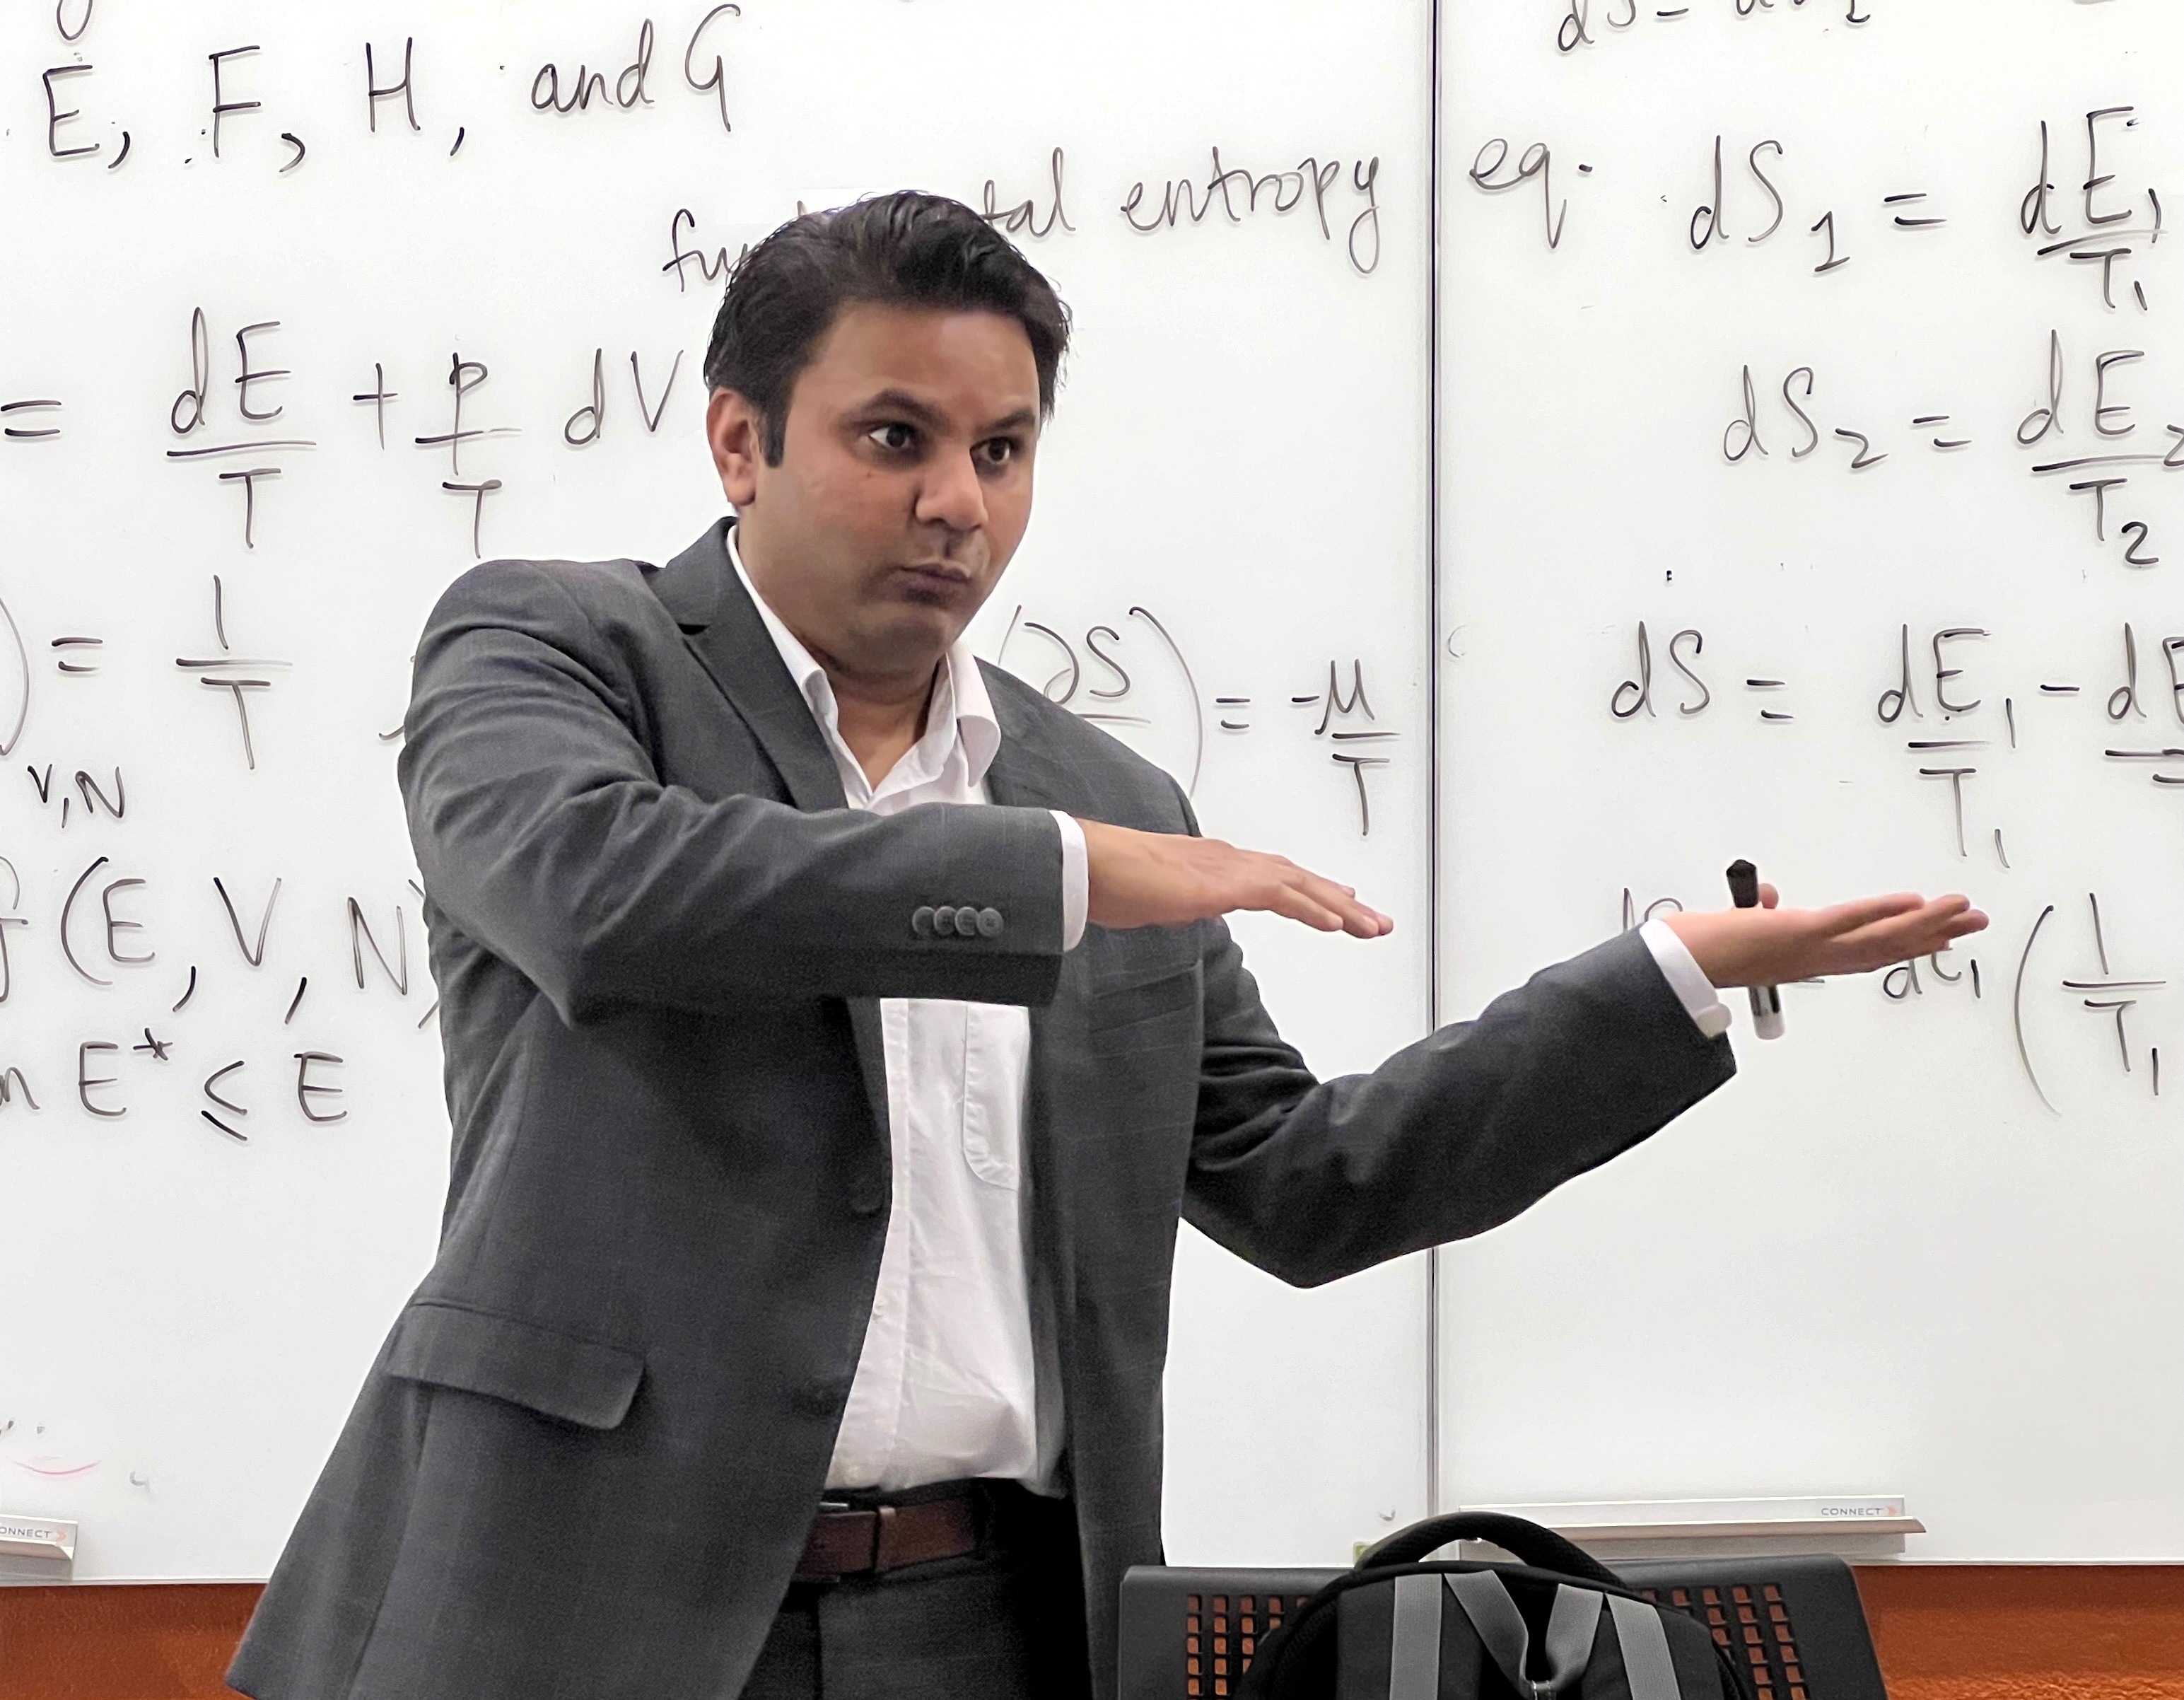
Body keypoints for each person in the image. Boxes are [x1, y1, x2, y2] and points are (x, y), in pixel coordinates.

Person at [226, 192, 1984, 1700]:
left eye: (1002, 451)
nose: (957, 504)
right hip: (580, 1601)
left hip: (997, 1615)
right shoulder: (559, 646)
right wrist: (1050, 875)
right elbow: (601, 897)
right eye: (894, 436)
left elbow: (1308, 1181)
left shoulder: (1096, 791)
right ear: (740, 439)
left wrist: (1672, 973)